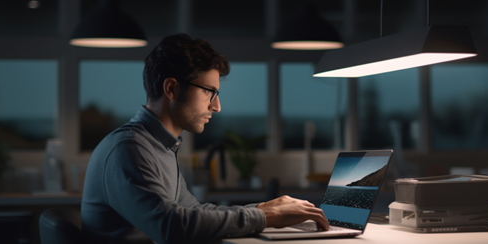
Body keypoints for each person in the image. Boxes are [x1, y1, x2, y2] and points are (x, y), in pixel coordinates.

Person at [81, 33, 328, 244]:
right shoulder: (129, 149)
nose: (217, 106)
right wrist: (266, 217)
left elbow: (193, 212)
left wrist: (262, 209)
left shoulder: (157, 146)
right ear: (171, 89)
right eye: (210, 92)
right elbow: (171, 227)